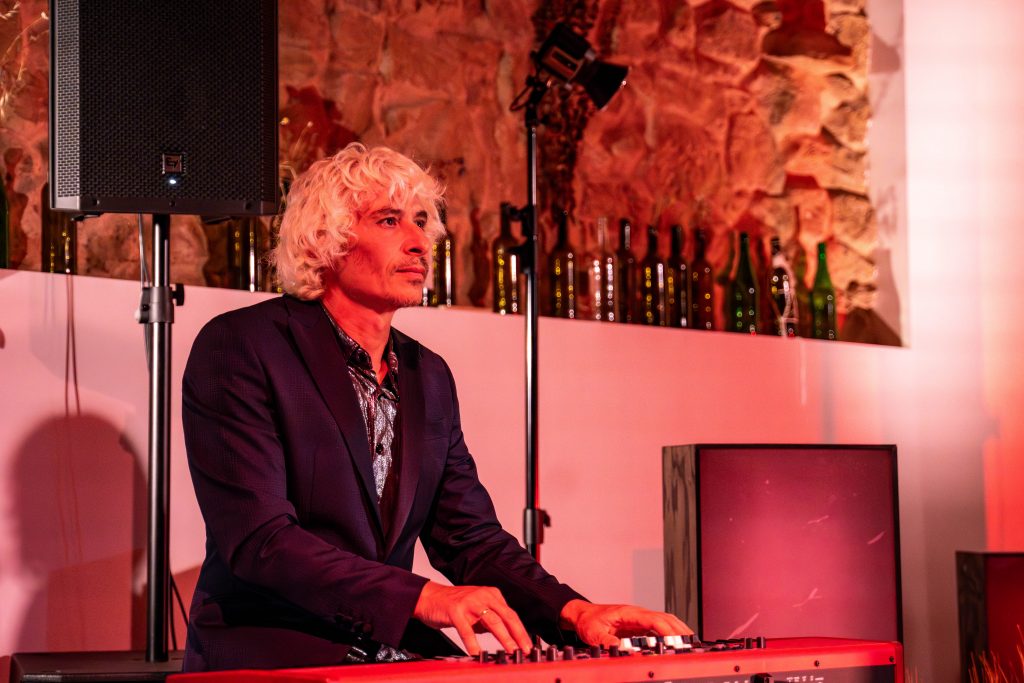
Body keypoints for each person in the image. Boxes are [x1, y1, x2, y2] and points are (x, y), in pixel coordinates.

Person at [181, 143, 691, 672]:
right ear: (323, 241)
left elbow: (469, 538)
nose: (420, 242)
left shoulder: (428, 374)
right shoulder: (242, 346)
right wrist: (423, 596)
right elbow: (262, 541)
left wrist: (576, 612)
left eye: (422, 222)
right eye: (389, 220)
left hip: (385, 649)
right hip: (274, 648)